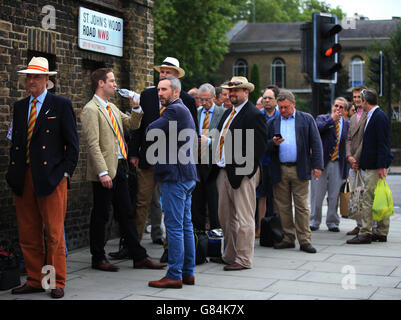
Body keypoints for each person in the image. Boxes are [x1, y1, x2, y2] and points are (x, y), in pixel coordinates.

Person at [80, 67, 166, 272]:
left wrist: (136, 108)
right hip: (105, 171)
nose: (115, 84)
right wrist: (102, 173)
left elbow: (132, 125)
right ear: (100, 83)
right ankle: (98, 258)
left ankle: (138, 256)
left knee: (127, 212)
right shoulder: (91, 109)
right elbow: (93, 144)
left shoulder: (111, 107)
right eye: (111, 81)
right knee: (101, 214)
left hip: (120, 167)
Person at [7, 57, 79, 299]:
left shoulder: (60, 105)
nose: (31, 81)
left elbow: (73, 146)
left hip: (51, 178)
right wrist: (12, 173)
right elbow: (15, 142)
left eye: (36, 77)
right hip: (23, 177)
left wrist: (63, 174)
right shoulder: (19, 107)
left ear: (47, 80)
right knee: (28, 232)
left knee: (53, 234)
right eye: (28, 76)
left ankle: (55, 281)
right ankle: (35, 279)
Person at [129, 57, 197, 263]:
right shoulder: (148, 95)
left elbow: (191, 135)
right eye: (161, 71)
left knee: (174, 214)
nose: (163, 74)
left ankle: (172, 254)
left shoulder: (184, 101)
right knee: (142, 202)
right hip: (149, 158)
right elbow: (139, 127)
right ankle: (135, 247)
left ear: (175, 79)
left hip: (174, 165)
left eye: (168, 72)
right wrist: (134, 152)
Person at [210, 76, 267, 271]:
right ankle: (230, 255)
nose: (232, 93)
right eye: (230, 90)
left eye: (237, 90)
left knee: (244, 218)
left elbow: (259, 147)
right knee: (225, 217)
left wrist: (246, 172)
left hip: (242, 173)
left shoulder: (254, 114)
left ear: (246, 92)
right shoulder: (228, 113)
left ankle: (244, 259)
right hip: (223, 171)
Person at [147, 76, 198, 288]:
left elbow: (151, 130)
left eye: (164, 90)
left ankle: (175, 274)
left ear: (176, 92)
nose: (160, 93)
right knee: (185, 225)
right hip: (186, 175)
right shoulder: (183, 110)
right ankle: (188, 272)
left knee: (175, 227)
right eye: (158, 89)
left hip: (175, 177)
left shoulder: (174, 110)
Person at [266, 89, 323, 254]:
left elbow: (316, 142)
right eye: (280, 107)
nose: (283, 110)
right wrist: (273, 143)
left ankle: (305, 240)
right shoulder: (273, 122)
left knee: (302, 206)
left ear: (294, 104)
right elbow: (264, 145)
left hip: (300, 168)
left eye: (286, 107)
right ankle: (288, 237)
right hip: (280, 169)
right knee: (283, 206)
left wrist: (317, 166)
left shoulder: (306, 119)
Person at [347, 88, 393, 244]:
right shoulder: (373, 116)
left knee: (368, 198)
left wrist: (381, 166)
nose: (359, 103)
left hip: (375, 166)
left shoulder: (378, 117)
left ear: (365, 101)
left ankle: (366, 232)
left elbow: (383, 144)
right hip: (372, 164)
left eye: (361, 100)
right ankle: (381, 231)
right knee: (379, 197)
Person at [310, 97, 350, 232]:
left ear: (345, 111)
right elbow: (317, 130)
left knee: (334, 195)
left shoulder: (347, 124)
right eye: (336, 106)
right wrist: (331, 119)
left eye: (341, 107)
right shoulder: (323, 118)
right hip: (321, 163)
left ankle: (332, 221)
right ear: (332, 106)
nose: (338, 109)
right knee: (317, 194)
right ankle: (314, 220)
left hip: (338, 163)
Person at [191, 83, 225, 231]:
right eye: (201, 99)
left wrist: (210, 141)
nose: (203, 103)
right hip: (197, 163)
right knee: (196, 203)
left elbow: (227, 138)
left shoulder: (223, 113)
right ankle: (198, 240)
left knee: (214, 203)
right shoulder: (195, 113)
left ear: (214, 97)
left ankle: (216, 239)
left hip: (213, 166)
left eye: (207, 100)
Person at [255, 88, 280, 237]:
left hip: (277, 161)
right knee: (261, 196)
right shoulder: (258, 116)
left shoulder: (280, 115)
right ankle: (260, 228)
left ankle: (278, 227)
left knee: (277, 196)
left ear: (276, 100)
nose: (267, 101)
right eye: (265, 98)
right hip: (261, 161)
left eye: (270, 98)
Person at [345, 85, 367, 235]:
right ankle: (359, 225)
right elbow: (348, 139)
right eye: (354, 97)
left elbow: (365, 140)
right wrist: (349, 157)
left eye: (359, 97)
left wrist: (356, 159)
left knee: (366, 195)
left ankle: (369, 226)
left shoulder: (369, 115)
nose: (357, 100)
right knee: (355, 195)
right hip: (352, 163)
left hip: (364, 162)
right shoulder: (353, 117)